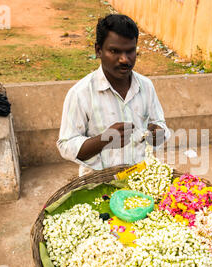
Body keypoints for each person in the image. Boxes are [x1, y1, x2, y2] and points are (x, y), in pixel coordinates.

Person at [57, 14, 170, 176]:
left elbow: (159, 123)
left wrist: (159, 133)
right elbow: (66, 145)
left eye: (130, 51)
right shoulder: (80, 93)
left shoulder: (146, 86)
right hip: (98, 183)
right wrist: (104, 140)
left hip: (140, 178)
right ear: (98, 50)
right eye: (114, 51)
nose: (124, 59)